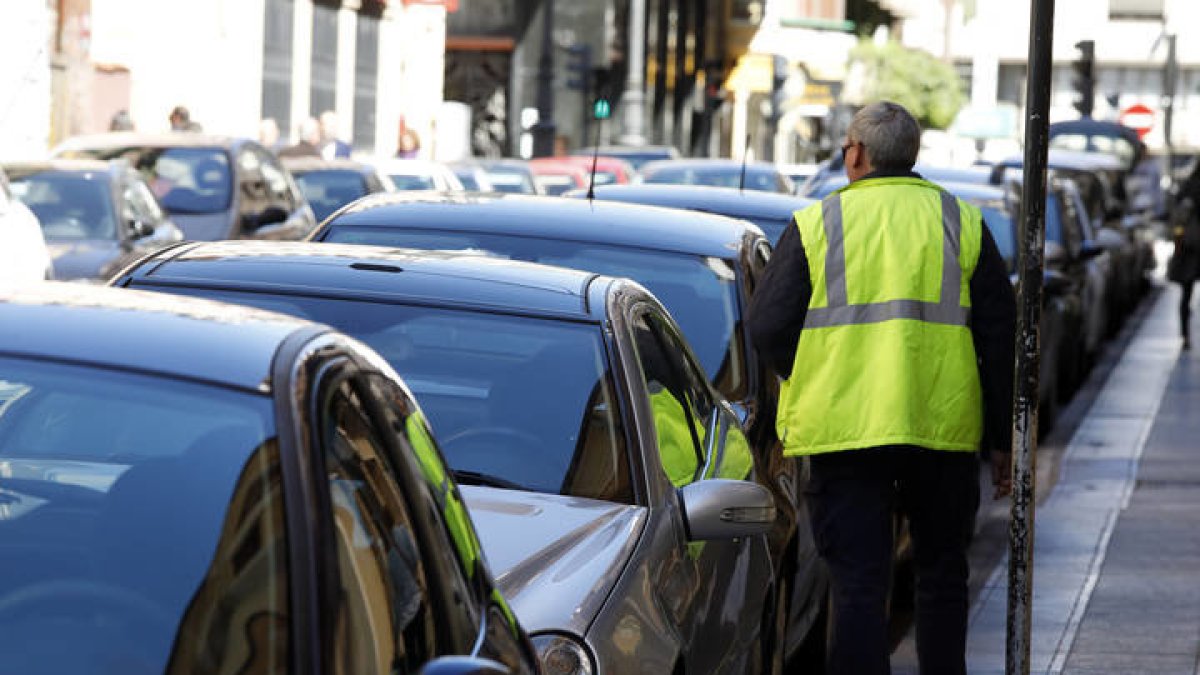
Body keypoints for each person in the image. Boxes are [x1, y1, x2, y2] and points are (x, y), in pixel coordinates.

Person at [746, 101, 1016, 675]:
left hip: (846, 434)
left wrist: (818, 370)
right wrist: (1001, 440)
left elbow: (767, 327)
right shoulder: (962, 222)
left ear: (858, 155)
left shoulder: (818, 225)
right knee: (942, 576)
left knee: (859, 586)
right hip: (940, 431)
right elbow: (999, 336)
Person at [1168, 165, 1200, 349]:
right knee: (1186, 294)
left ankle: (1185, 333)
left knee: (1186, 294)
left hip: (1189, 248)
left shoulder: (1188, 187)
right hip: (1192, 247)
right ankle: (1185, 334)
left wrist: (1179, 239)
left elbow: (1177, 221)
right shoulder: (1190, 188)